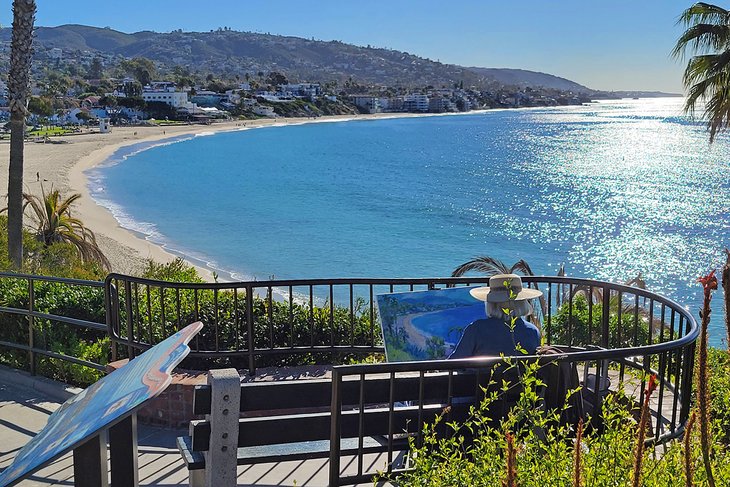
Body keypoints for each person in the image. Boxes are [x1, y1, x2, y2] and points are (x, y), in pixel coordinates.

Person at [449, 274, 542, 359]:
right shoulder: (533, 331)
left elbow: (454, 363)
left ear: (491, 303)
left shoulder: (476, 329)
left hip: (483, 378)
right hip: (520, 377)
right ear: (522, 302)